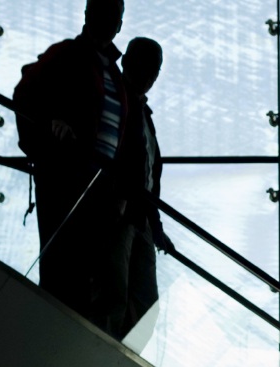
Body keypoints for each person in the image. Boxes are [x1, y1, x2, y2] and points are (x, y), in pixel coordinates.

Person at [13, 0, 131, 333]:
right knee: (63, 269)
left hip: (98, 187)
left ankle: (68, 338)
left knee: (86, 274)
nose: (110, 23)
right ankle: (55, 336)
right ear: (88, 16)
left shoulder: (111, 71)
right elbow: (24, 93)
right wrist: (48, 129)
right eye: (104, 14)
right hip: (67, 178)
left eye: (114, 17)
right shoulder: (68, 55)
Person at [114, 36, 172, 342]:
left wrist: (156, 226)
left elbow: (149, 176)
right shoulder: (119, 104)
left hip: (137, 219)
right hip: (120, 216)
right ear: (128, 63)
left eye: (156, 69)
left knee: (136, 306)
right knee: (117, 301)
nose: (152, 75)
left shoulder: (139, 112)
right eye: (149, 67)